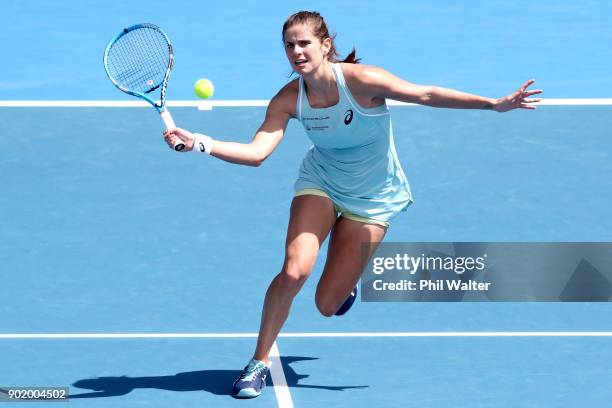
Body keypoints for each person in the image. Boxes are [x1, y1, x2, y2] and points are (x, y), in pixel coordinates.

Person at [163, 10, 542, 399]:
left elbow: (425, 93)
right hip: (322, 183)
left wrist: (494, 104)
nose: (296, 51)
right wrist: (201, 143)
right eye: (289, 45)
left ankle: (345, 284)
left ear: (326, 45)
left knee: (327, 305)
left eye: (304, 43)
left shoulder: (362, 82)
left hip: (374, 197)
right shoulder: (289, 99)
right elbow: (257, 152)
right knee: (294, 271)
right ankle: (258, 363)